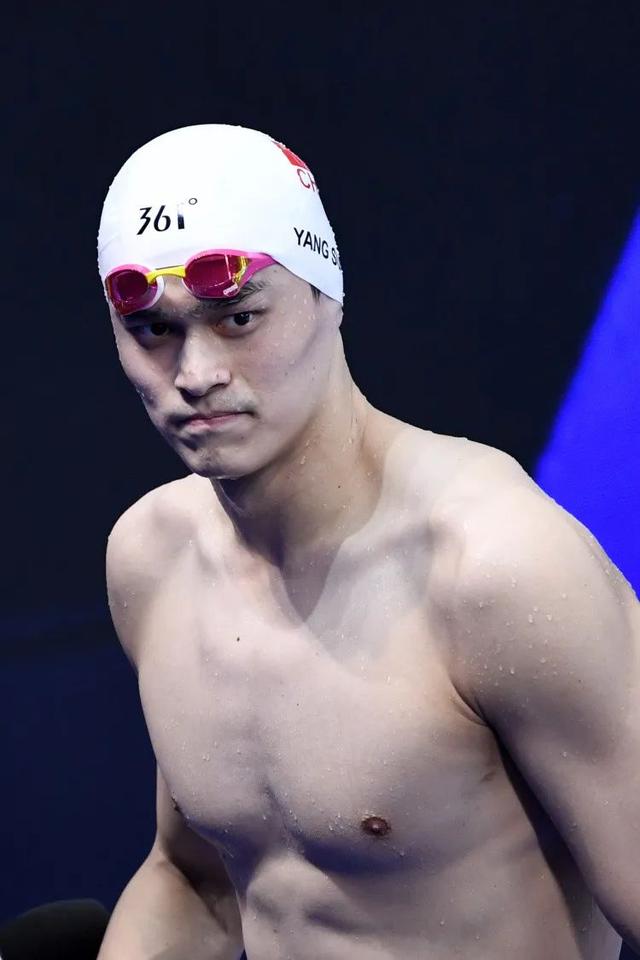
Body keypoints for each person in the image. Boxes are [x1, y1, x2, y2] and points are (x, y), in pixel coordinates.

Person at [96, 124, 640, 960]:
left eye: (239, 317)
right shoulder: (153, 560)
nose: (196, 373)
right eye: (152, 332)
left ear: (328, 294)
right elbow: (197, 880)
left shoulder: (499, 568)